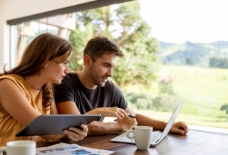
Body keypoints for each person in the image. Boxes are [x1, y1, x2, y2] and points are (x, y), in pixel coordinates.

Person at [54, 36, 188, 135]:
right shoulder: (65, 82)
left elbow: (133, 117)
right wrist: (119, 127)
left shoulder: (110, 89)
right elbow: (75, 124)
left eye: (112, 67)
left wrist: (167, 126)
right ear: (87, 61)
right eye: (106, 65)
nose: (110, 74)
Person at [0, 33, 88, 151]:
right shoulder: (7, 84)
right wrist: (75, 129)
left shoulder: (46, 88)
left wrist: (76, 132)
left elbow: (55, 129)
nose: (67, 70)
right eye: (64, 62)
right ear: (44, 60)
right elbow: (48, 132)